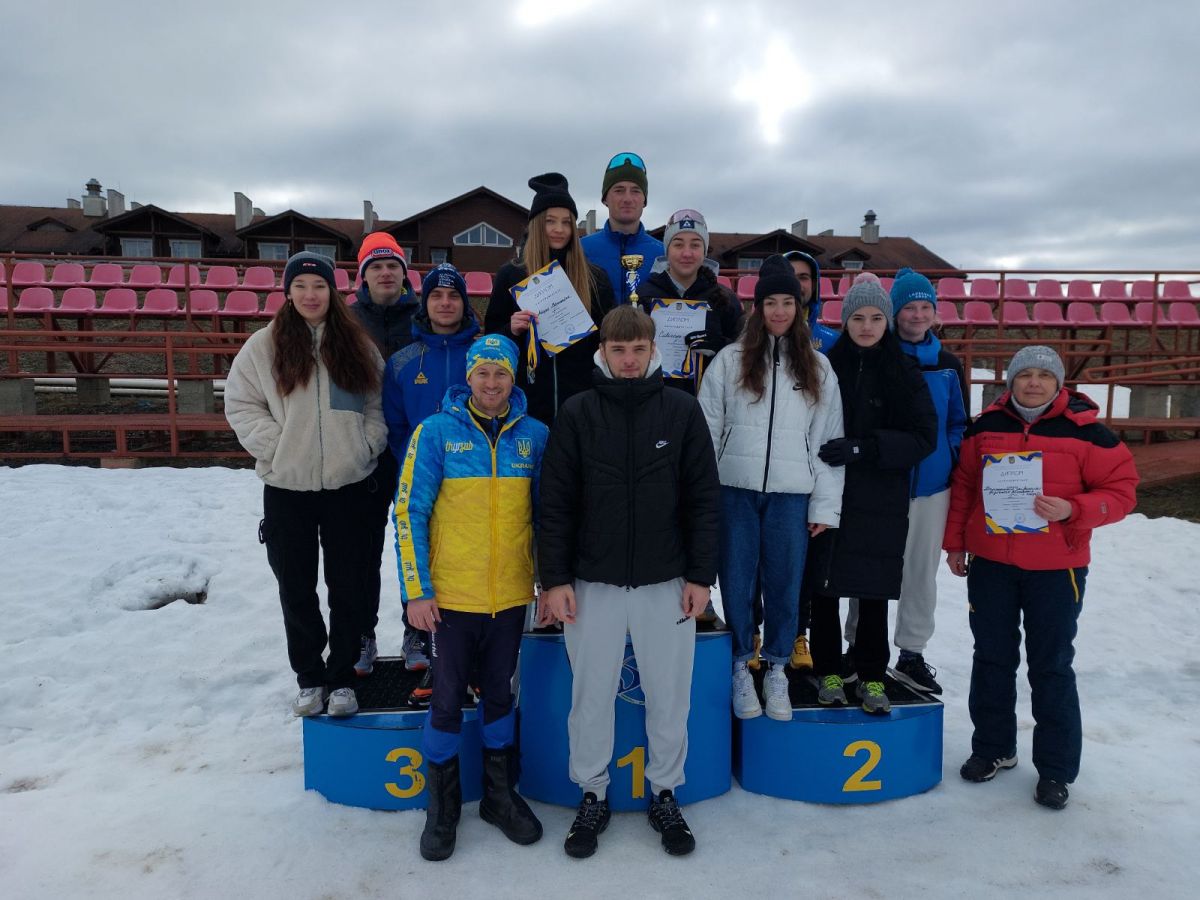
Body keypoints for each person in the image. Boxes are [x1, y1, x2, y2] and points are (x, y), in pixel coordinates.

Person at [538, 306, 719, 859]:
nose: (629, 360)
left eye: (638, 349)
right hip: (593, 583)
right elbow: (555, 504)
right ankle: (592, 793)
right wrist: (555, 579)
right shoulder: (577, 412)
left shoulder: (681, 410)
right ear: (602, 352)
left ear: (653, 349)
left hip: (667, 581)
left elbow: (703, 500)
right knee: (591, 696)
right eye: (618, 350)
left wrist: (700, 575)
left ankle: (665, 792)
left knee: (669, 694)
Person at [945, 346, 1137, 810]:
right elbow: (965, 486)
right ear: (1010, 381)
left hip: (1057, 568)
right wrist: (955, 544)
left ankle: (1055, 769)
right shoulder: (985, 427)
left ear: (1059, 383)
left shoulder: (1089, 432)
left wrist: (1075, 508)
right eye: (1024, 374)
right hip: (992, 563)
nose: (1033, 383)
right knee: (991, 658)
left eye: (1044, 376)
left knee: (1051, 665)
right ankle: (994, 748)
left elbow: (1122, 491)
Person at [393, 333, 550, 860]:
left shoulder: (535, 436)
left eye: (500, 373)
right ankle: (442, 809)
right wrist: (417, 591)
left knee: (501, 696)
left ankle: (499, 798)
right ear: (468, 377)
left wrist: (547, 581)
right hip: (451, 599)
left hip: (509, 596)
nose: (491, 382)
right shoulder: (435, 432)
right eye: (482, 372)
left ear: (513, 378)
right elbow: (408, 512)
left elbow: (548, 517)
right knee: (445, 700)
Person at [225, 251, 388, 718]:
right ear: (288, 292)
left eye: (319, 286)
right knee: (295, 587)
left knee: (348, 587)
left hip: (348, 486)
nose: (310, 295)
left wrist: (366, 444)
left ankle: (342, 678)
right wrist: (276, 447)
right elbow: (241, 403)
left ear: (332, 292)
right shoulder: (264, 346)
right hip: (287, 488)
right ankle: (310, 677)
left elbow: (376, 405)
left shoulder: (356, 344)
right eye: (300, 286)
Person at [697, 255, 844, 721]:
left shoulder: (817, 368)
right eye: (771, 302)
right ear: (757, 308)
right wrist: (704, 493)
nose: (779, 311)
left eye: (788, 302)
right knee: (737, 580)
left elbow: (827, 441)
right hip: (734, 490)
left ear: (800, 308)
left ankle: (777, 666)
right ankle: (743, 662)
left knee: (785, 582)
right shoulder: (730, 361)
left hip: (791, 494)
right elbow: (707, 429)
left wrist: (824, 506)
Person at [806, 280, 938, 715]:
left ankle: (872, 674)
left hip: (881, 496)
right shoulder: (826, 366)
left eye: (876, 318)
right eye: (858, 318)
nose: (867, 326)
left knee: (874, 589)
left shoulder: (904, 371)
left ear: (887, 321)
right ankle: (828, 670)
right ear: (845, 321)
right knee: (825, 586)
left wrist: (865, 448)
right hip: (830, 491)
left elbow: (924, 436)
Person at [843, 268, 968, 694]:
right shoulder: (879, 354)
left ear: (935, 312)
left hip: (930, 487)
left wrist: (947, 456)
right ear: (895, 312)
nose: (917, 315)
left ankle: (912, 652)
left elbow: (957, 421)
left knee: (919, 572)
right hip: (881, 483)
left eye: (925, 307)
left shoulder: (948, 365)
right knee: (868, 568)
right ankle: (857, 645)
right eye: (909, 307)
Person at [382, 262, 481, 690]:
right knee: (418, 550)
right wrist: (415, 463)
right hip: (419, 478)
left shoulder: (481, 353)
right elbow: (395, 425)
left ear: (464, 303)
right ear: (424, 304)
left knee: (468, 556)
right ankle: (418, 633)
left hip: (473, 479)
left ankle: (472, 645)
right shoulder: (403, 361)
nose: (445, 303)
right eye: (436, 296)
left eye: (453, 295)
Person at [485, 173, 615, 426]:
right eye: (550, 221)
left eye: (566, 222)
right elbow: (492, 338)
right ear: (536, 225)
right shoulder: (511, 274)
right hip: (527, 405)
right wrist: (511, 330)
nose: (559, 229)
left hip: (581, 405)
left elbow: (607, 338)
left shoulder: (594, 278)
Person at [351, 231, 422, 676]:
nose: (384, 273)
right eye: (375, 266)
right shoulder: (347, 320)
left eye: (392, 265)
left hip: (414, 448)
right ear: (363, 275)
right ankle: (362, 633)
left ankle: (418, 630)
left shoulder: (425, 315)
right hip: (366, 450)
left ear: (403, 272)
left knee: (416, 543)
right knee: (361, 547)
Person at [638, 209, 742, 394]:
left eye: (695, 245)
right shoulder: (644, 295)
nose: (687, 253)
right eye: (678, 244)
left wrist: (720, 345)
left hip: (708, 399)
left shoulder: (724, 298)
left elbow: (743, 352)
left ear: (704, 251)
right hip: (654, 397)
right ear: (667, 250)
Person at [580, 152, 663, 305]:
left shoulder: (664, 255)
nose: (627, 199)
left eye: (636, 191)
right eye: (619, 190)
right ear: (605, 198)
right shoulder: (580, 250)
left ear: (644, 200)